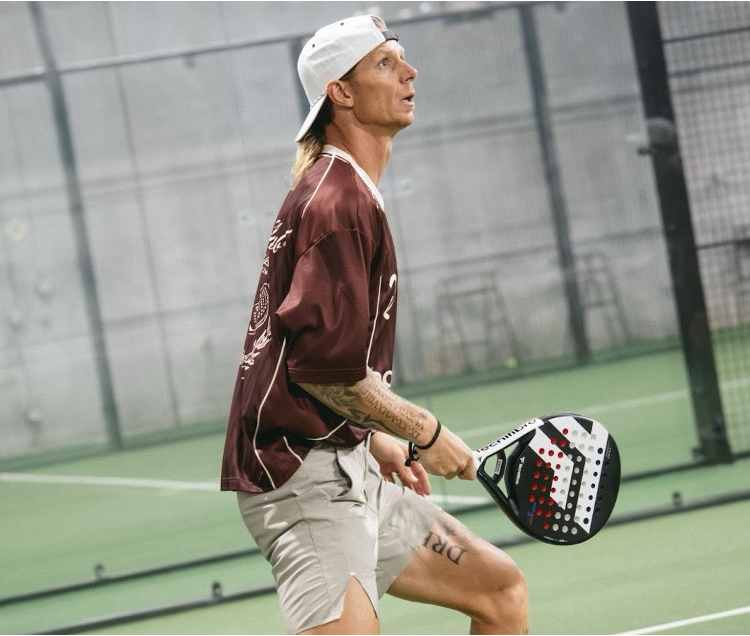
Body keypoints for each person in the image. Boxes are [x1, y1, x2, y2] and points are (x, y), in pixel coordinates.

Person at [221, 15, 528, 635]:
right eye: (386, 64)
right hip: (304, 480)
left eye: (404, 60)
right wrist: (424, 429)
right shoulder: (337, 205)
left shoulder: (346, 192)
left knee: (500, 592)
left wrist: (377, 435)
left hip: (346, 460)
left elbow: (325, 360)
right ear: (342, 91)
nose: (410, 74)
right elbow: (321, 370)